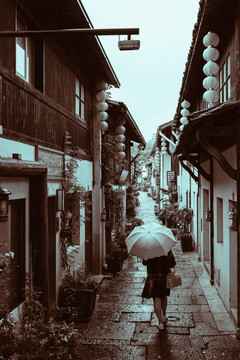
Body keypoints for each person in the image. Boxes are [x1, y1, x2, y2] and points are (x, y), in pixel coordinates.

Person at [141, 249, 176, 330]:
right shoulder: (166, 248)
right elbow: (172, 263)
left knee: (156, 298)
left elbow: (144, 262)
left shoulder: (148, 249)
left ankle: (160, 323)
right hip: (164, 276)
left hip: (153, 277)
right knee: (163, 296)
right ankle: (164, 315)